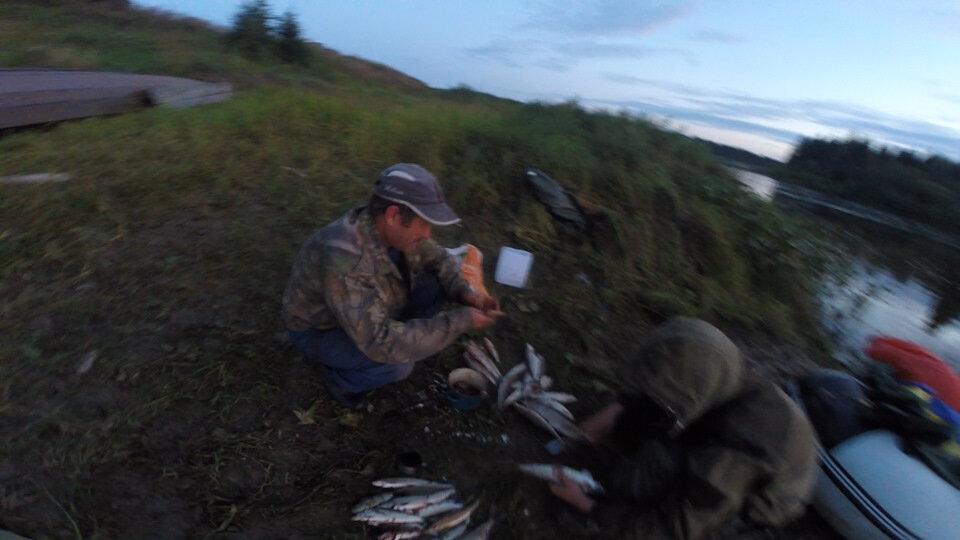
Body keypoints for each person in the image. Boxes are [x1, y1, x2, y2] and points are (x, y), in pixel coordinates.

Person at [548, 317, 817, 539]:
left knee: (643, 479)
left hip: (762, 501)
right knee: (644, 428)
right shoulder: (721, 373)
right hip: (730, 439)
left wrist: (589, 507)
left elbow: (673, 529)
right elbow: (662, 388)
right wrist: (613, 413)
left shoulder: (736, 449)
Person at [282, 163, 501, 409]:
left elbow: (440, 258)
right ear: (393, 216)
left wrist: (466, 294)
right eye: (424, 224)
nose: (428, 234)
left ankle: (409, 334)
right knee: (397, 363)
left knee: (436, 282)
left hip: (366, 309)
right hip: (320, 329)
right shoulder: (345, 261)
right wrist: (461, 321)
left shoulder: (383, 228)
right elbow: (382, 343)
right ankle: (342, 381)